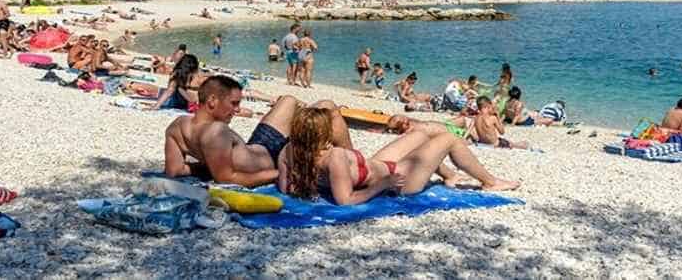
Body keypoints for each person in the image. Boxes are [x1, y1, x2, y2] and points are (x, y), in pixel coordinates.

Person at [278, 107, 519, 203]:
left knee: (421, 133)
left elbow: (285, 188)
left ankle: (449, 175)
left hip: (376, 165)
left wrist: (309, 184)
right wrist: (383, 184)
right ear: (322, 133)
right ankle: (490, 182)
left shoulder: (289, 150)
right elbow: (345, 201)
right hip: (398, 179)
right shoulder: (335, 157)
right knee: (449, 139)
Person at [163, 75, 353, 187]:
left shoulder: (177, 125)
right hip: (275, 158)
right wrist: (281, 172)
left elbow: (174, 170)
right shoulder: (216, 131)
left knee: (288, 100)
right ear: (212, 101)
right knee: (329, 108)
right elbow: (227, 179)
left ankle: (309, 123)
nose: (237, 110)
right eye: (233, 103)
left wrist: (209, 166)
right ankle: (354, 166)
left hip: (260, 145)